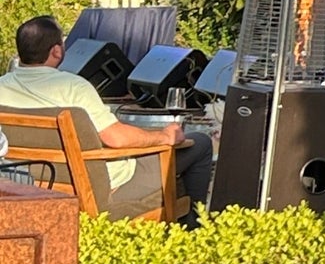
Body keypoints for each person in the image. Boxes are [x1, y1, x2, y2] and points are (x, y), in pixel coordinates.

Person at [0, 15, 214, 219]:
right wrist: (164, 137)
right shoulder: (74, 87)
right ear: (56, 51)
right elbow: (116, 139)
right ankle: (192, 227)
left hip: (35, 182)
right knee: (200, 143)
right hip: (102, 188)